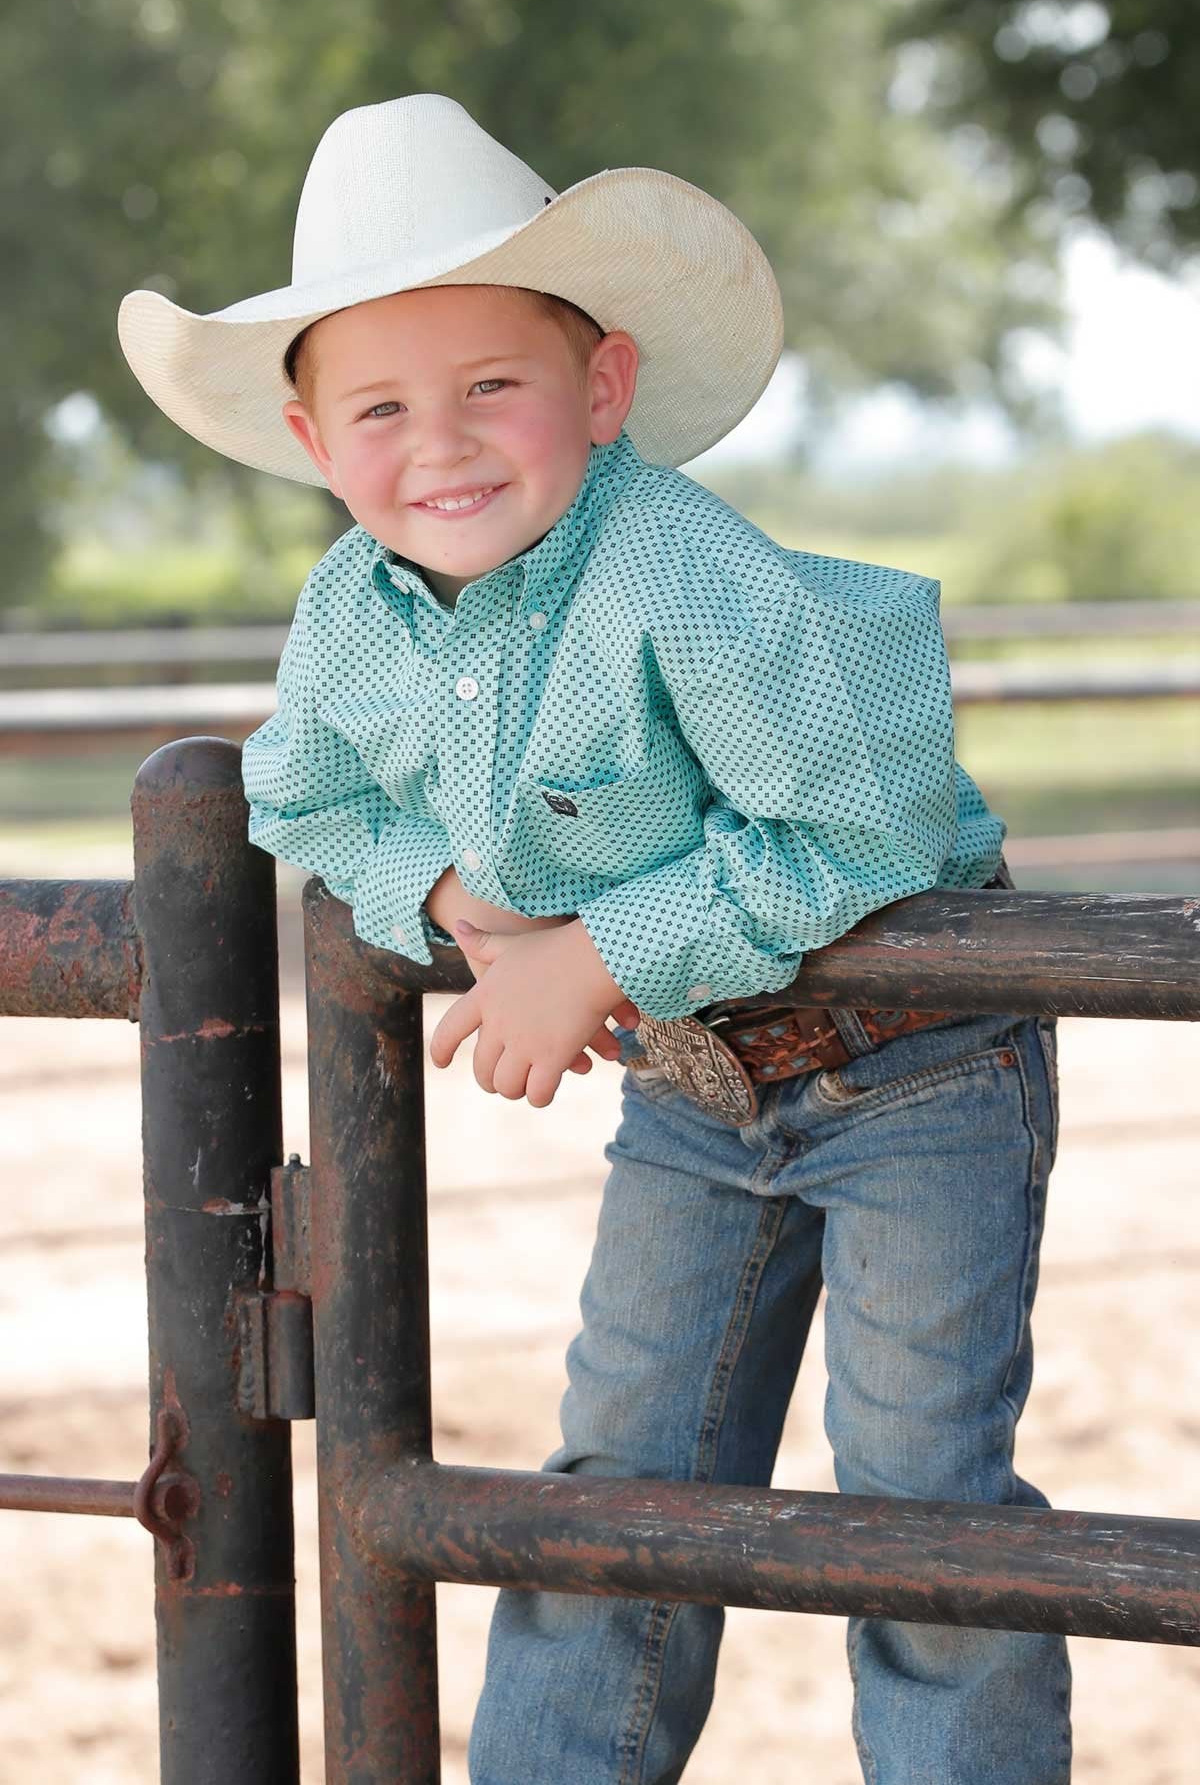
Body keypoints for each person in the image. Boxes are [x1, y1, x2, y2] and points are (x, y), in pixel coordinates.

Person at [118, 94, 1070, 1784]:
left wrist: (591, 955)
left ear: (604, 390)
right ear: (315, 437)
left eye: (495, 386)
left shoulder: (681, 573)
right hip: (697, 1094)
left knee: (920, 1489)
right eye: (383, 408)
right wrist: (444, 897)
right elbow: (300, 790)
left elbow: (864, 828)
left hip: (909, 1065)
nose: (444, 444)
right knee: (614, 1474)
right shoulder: (353, 606)